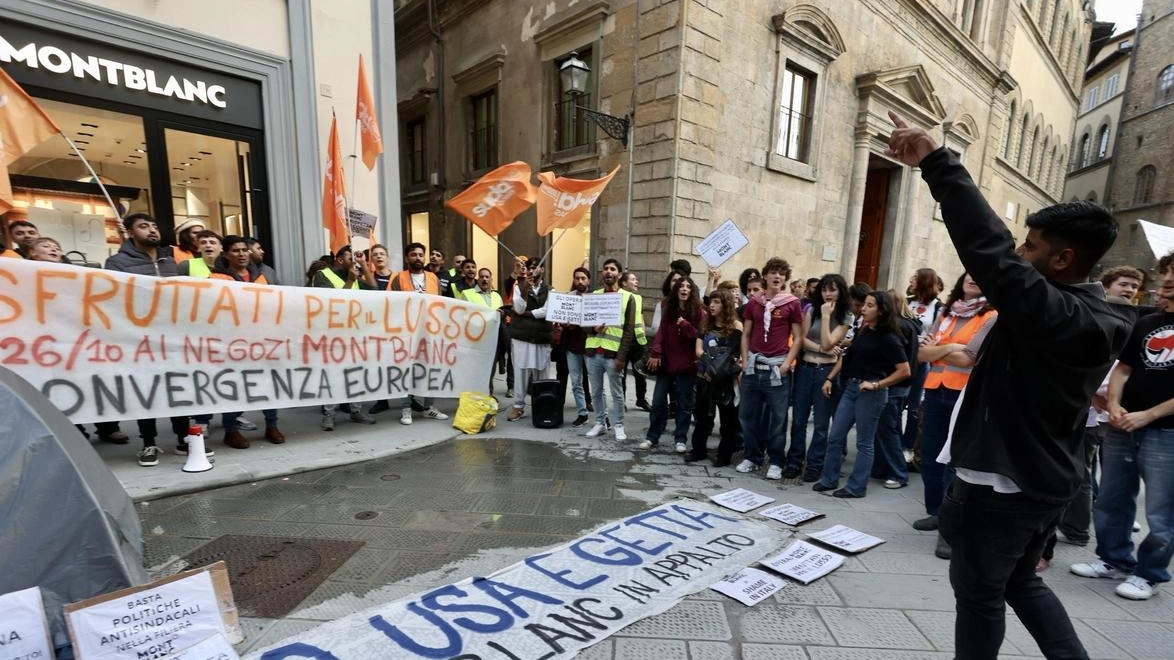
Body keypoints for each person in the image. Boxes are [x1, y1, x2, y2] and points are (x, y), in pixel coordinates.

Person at [888, 111, 1130, 659]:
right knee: (1019, 583)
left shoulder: (1071, 315)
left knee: (978, 595)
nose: (1021, 253)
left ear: (1064, 259)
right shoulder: (1072, 312)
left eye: (1033, 246)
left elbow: (990, 251)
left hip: (1008, 486)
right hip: (1033, 480)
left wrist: (935, 160)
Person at [1070, 251, 1174, 601]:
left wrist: (1148, 414)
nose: (1167, 280)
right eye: (1166, 273)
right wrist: (1114, 405)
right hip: (1122, 425)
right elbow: (1123, 368)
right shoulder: (1147, 321)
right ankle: (1113, 559)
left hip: (1165, 431)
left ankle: (1150, 574)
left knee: (1162, 510)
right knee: (1112, 497)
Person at [911, 272, 997, 561]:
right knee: (930, 457)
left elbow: (970, 358)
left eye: (979, 275)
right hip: (935, 391)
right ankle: (935, 512)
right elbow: (921, 355)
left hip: (964, 395)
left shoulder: (991, 316)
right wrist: (949, 348)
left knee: (953, 462)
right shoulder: (947, 311)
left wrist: (939, 349)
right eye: (969, 274)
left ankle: (950, 531)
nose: (973, 278)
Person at [104, 213, 193, 465]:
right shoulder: (117, 263)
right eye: (144, 226)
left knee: (177, 386)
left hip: (172, 335)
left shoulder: (169, 261)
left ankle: (183, 437)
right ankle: (148, 443)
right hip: (139, 337)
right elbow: (115, 299)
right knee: (147, 389)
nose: (152, 230)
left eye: (154, 225)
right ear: (130, 232)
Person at [814, 290, 911, 498]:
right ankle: (828, 478)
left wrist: (877, 385)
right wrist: (830, 378)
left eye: (869, 305)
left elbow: (904, 371)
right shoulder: (864, 330)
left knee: (864, 442)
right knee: (836, 435)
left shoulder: (890, 339)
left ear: (882, 310)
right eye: (864, 304)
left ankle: (856, 487)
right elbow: (848, 357)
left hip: (871, 393)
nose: (863, 309)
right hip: (851, 388)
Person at [205, 236, 285, 448]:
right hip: (233, 342)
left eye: (244, 250)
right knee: (233, 386)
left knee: (268, 384)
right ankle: (230, 430)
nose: (241, 254)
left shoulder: (262, 276)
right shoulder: (216, 278)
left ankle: (272, 425)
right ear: (226, 254)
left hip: (263, 339)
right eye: (236, 251)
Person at [736, 257, 803, 479]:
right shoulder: (755, 302)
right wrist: (745, 361)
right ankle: (752, 457)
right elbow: (745, 334)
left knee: (778, 418)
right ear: (765, 275)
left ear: (785, 278)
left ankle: (776, 460)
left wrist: (787, 364)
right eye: (773, 272)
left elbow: (798, 337)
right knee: (747, 416)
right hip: (754, 367)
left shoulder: (792, 303)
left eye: (781, 274)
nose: (777, 277)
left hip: (777, 369)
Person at [788, 273, 852, 481]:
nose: (827, 294)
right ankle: (794, 461)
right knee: (798, 419)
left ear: (840, 291)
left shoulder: (845, 317)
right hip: (805, 368)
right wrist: (823, 349)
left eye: (832, 289)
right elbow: (802, 340)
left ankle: (815, 463)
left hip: (825, 372)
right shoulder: (811, 310)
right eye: (824, 289)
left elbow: (829, 342)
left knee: (821, 423)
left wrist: (826, 317)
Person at [312, 244, 377, 430]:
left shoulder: (355, 276)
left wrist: (364, 265)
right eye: (351, 259)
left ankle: (355, 411)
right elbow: (333, 303)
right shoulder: (322, 275)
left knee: (356, 373)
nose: (354, 262)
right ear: (340, 259)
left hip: (355, 334)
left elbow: (374, 290)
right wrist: (349, 281)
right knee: (333, 375)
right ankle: (329, 414)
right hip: (333, 336)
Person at [386, 242, 448, 424]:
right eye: (413, 255)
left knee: (430, 369)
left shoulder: (433, 278)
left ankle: (429, 407)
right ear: (407, 258)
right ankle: (406, 409)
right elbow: (390, 301)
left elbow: (441, 303)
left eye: (421, 255)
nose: (418, 258)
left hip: (430, 331)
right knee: (406, 369)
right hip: (406, 332)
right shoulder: (397, 277)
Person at [641, 277, 704, 452]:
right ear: (676, 290)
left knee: (684, 404)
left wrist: (684, 325)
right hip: (667, 363)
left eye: (688, 286)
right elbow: (661, 333)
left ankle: (681, 439)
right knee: (658, 401)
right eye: (681, 286)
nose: (684, 289)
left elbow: (698, 336)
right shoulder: (669, 309)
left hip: (687, 364)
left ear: (692, 291)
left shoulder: (699, 312)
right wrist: (656, 352)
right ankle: (652, 437)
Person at [871, 290, 921, 490]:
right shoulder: (909, 325)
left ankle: (897, 473)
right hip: (900, 385)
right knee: (886, 429)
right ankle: (882, 467)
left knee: (888, 429)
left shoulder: (897, 327)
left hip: (892, 384)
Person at [584, 258, 638, 440]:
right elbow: (584, 323)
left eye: (612, 269)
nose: (608, 272)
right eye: (605, 269)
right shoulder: (594, 295)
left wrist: (621, 357)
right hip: (593, 352)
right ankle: (600, 423)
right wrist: (593, 328)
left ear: (619, 275)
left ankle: (619, 425)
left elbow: (629, 331)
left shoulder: (628, 297)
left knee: (617, 393)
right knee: (596, 392)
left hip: (613, 355)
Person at [691, 288, 742, 465]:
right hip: (704, 377)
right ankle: (698, 450)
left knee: (728, 421)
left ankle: (724, 455)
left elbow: (733, 354)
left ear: (726, 305)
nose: (712, 306)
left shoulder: (736, 326)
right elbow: (698, 350)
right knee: (702, 417)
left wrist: (716, 367)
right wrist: (709, 364)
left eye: (717, 302)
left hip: (725, 380)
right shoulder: (705, 325)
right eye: (711, 302)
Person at [901, 268, 945, 455]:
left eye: (915, 278)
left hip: (920, 360)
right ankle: (893, 444)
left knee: (914, 404)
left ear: (925, 282)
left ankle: (908, 445)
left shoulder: (938, 307)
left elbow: (938, 333)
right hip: (901, 356)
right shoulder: (907, 303)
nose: (911, 280)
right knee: (895, 401)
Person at [506, 258, 553, 422]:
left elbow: (547, 311)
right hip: (522, 337)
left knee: (542, 373)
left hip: (541, 337)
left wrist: (526, 314)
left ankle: (542, 406)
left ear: (543, 270)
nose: (533, 270)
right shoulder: (518, 286)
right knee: (520, 371)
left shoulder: (551, 290)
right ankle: (518, 407)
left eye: (537, 268)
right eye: (531, 267)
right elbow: (518, 307)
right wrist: (525, 289)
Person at [555, 267, 594, 427]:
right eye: (577, 278)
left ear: (588, 280)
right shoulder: (567, 298)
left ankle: (602, 416)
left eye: (583, 278)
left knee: (596, 382)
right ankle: (582, 413)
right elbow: (560, 318)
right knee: (576, 382)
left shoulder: (595, 298)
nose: (580, 281)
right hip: (572, 346)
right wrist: (564, 324)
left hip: (590, 346)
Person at [461, 267, 508, 393]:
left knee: (490, 369)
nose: (484, 279)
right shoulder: (467, 294)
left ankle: (488, 395)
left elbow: (501, 316)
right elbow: (464, 316)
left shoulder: (496, 296)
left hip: (494, 339)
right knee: (476, 371)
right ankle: (475, 398)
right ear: (478, 279)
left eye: (487, 277)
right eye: (482, 276)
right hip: (476, 340)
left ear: (491, 279)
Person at [619, 271, 650, 411]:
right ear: (624, 282)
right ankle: (622, 401)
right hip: (624, 339)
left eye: (636, 279)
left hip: (638, 340)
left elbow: (641, 317)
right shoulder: (618, 296)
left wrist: (643, 334)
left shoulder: (638, 297)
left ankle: (641, 399)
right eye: (633, 279)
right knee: (622, 373)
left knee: (640, 372)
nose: (636, 281)